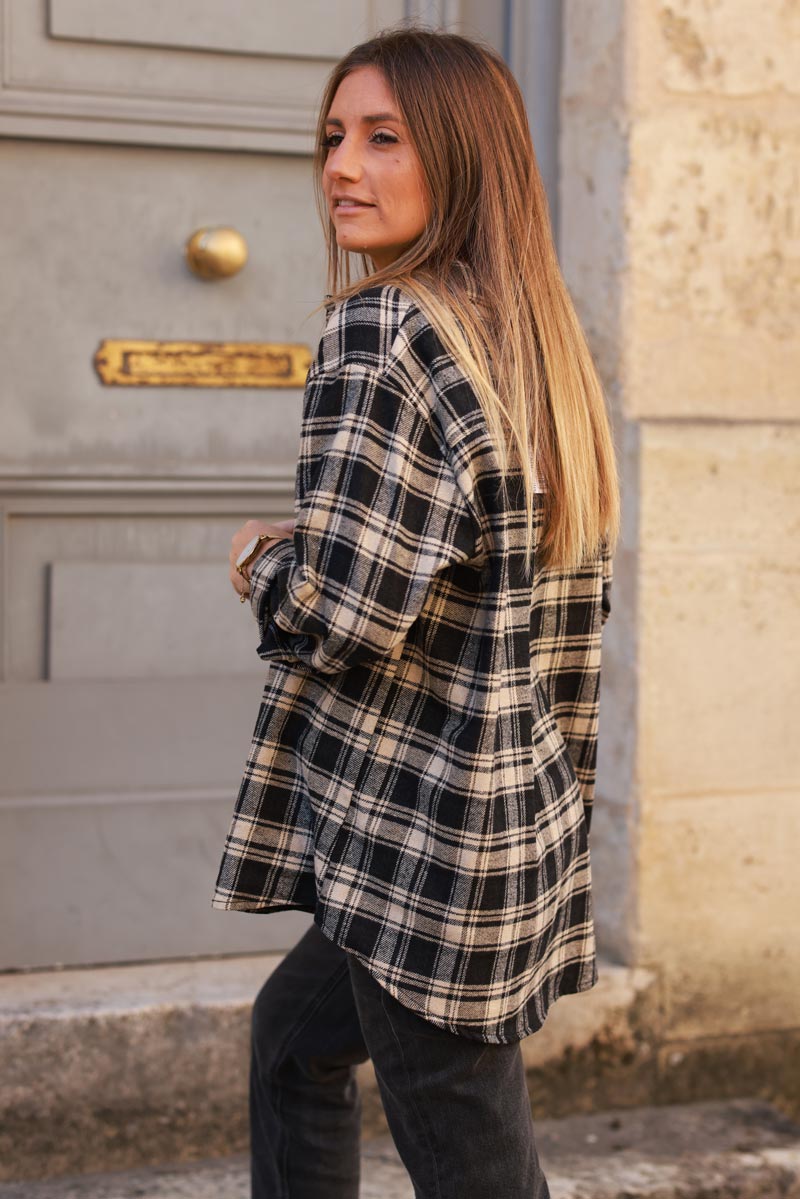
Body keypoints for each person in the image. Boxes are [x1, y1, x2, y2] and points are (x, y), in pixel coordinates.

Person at [217, 26, 619, 1199]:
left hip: (417, 848)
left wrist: (260, 563)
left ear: (462, 155)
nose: (341, 164)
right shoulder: (532, 342)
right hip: (501, 822)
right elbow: (487, 574)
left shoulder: (382, 329)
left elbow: (344, 617)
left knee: (478, 1170)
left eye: (382, 138)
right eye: (333, 136)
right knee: (291, 1043)